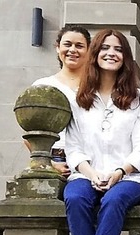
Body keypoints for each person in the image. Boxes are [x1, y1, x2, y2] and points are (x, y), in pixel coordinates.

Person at [65, 29, 140, 235]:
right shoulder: (78, 98)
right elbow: (72, 146)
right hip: (85, 175)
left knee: (113, 203)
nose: (111, 53)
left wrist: (117, 172)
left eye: (118, 49)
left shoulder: (138, 99)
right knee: (75, 199)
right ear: (96, 54)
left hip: (128, 178)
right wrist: (90, 173)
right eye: (105, 48)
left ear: (126, 58)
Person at [30, 25, 91, 179]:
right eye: (67, 44)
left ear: (89, 51)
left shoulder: (97, 88)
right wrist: (49, 163)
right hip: (55, 158)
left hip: (90, 160)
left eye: (79, 46)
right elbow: (29, 131)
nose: (72, 50)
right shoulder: (43, 86)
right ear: (57, 48)